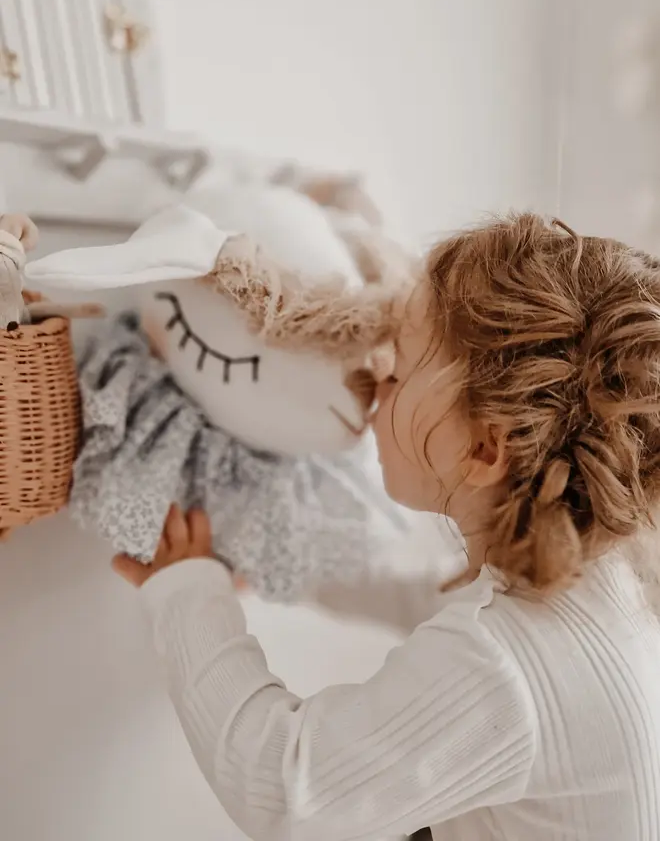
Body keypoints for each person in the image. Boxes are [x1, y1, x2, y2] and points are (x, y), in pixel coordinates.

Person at [113, 214, 660, 841]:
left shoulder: (504, 667)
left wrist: (189, 594)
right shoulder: (598, 577)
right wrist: (283, 555)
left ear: (485, 448)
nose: (370, 388)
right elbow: (424, 592)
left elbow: (285, 787)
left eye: (395, 371)